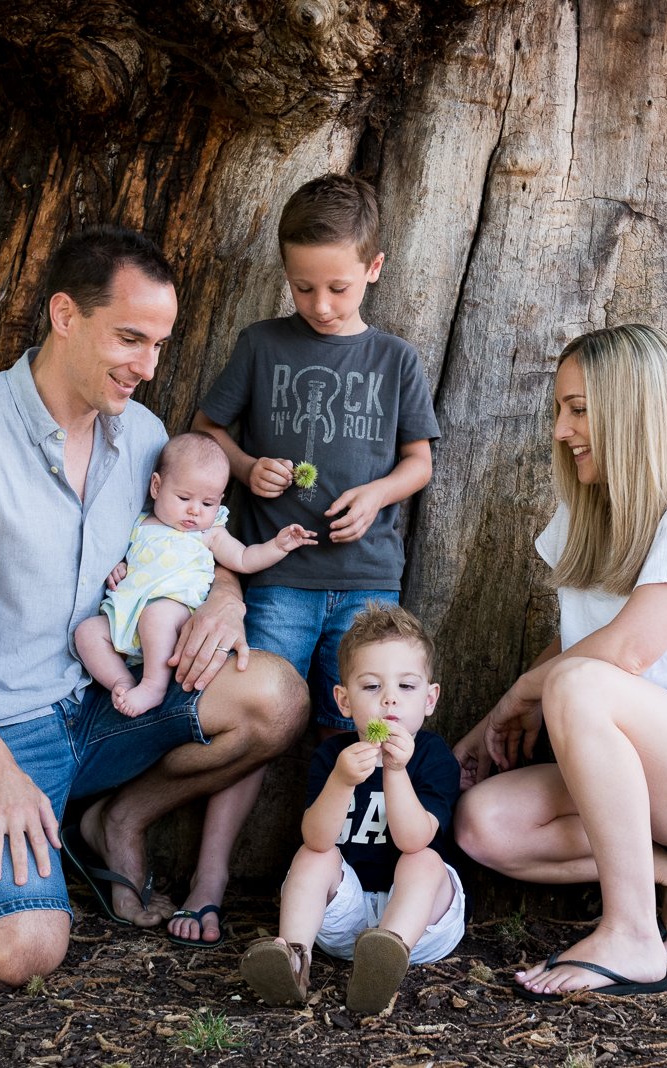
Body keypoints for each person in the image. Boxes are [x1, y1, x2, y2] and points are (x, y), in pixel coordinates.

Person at [0, 226, 306, 989]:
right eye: (130, 339)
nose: (147, 367)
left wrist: (228, 598)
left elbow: (196, 537)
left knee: (276, 698)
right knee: (20, 953)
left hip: (107, 701)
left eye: (159, 345)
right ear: (65, 315)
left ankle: (121, 820)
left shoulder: (142, 437)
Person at [452, 324, 667, 1000]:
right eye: (560, 409)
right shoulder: (589, 514)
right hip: (661, 792)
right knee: (484, 825)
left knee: (585, 683)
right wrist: (512, 703)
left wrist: (524, 695)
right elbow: (581, 640)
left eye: (579, 409)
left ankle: (633, 936)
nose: (561, 429)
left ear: (634, 408)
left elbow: (629, 651)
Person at [175, 173, 441, 948]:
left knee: (354, 736)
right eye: (303, 287)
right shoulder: (262, 344)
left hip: (365, 586)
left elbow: (418, 462)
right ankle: (210, 879)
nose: (320, 304)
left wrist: (378, 495)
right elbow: (206, 432)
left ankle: (352, 893)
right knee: (261, 726)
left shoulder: (395, 359)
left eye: (337, 286)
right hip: (279, 582)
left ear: (374, 268)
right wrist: (247, 462)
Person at [238, 603, 464, 1015]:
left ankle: (386, 960)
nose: (390, 699)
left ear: (430, 699)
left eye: (407, 687)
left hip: (422, 922)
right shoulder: (333, 757)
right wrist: (342, 781)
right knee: (312, 856)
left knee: (426, 861)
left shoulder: (433, 756)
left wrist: (396, 772)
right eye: (372, 687)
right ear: (343, 700)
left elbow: (414, 839)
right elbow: (317, 838)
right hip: (347, 912)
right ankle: (293, 958)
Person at [75, 431, 316, 717]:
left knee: (157, 615)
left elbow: (243, 558)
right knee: (87, 632)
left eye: (207, 504)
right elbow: (131, 558)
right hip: (126, 616)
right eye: (184, 497)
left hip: (176, 614)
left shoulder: (208, 533)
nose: (193, 511)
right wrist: (121, 566)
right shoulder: (141, 524)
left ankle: (154, 686)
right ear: (156, 486)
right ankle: (122, 680)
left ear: (220, 501)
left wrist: (278, 545)